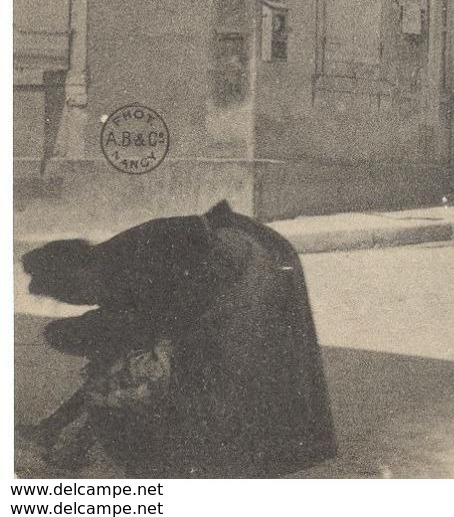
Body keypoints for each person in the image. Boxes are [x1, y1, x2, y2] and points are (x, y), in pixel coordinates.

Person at [21, 201, 337, 477]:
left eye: (69, 295)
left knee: (197, 368)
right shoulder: (108, 263)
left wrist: (72, 336)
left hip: (250, 263)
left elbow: (127, 343)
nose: (78, 302)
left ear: (76, 274)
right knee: (135, 365)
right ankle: (64, 435)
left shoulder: (124, 269)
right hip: (234, 258)